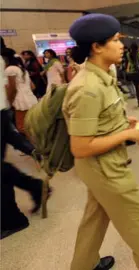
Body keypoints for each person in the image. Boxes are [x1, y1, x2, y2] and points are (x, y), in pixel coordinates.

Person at [65, 14, 139, 270]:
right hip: (105, 168)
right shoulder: (88, 87)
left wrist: (121, 123)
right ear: (96, 47)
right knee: (137, 218)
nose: (121, 46)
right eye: (115, 40)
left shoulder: (100, 77)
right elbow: (80, 147)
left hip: (101, 166)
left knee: (94, 218)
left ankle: (83, 265)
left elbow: (99, 120)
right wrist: (125, 135)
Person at [1, 40, 44, 240]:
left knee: (21, 131)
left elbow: (11, 89)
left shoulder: (10, 67)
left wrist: (9, 104)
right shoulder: (12, 66)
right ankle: (36, 187)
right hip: (5, 109)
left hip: (6, 109)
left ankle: (13, 218)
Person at [3, 48, 38, 134]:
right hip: (31, 99)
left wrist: (10, 102)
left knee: (22, 127)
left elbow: (12, 88)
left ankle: (31, 146)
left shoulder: (10, 69)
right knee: (31, 126)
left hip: (20, 101)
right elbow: (33, 87)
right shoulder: (22, 68)